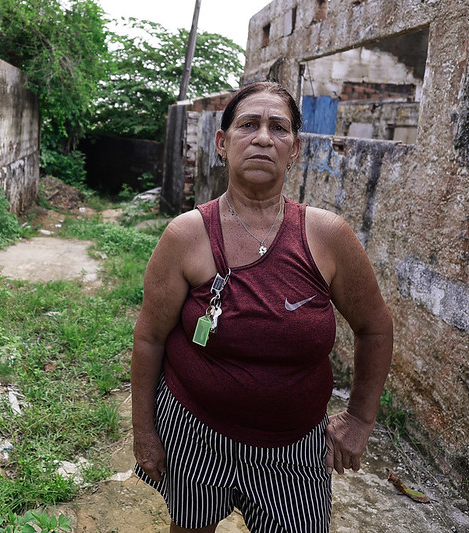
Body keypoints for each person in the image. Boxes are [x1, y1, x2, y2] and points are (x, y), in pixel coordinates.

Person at [131, 81, 393, 532]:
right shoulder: (185, 235)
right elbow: (149, 337)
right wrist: (145, 433)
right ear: (222, 142)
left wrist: (360, 419)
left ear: (294, 149)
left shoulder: (327, 236)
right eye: (248, 124)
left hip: (293, 451)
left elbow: (375, 328)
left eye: (280, 128)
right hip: (193, 434)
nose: (263, 138)